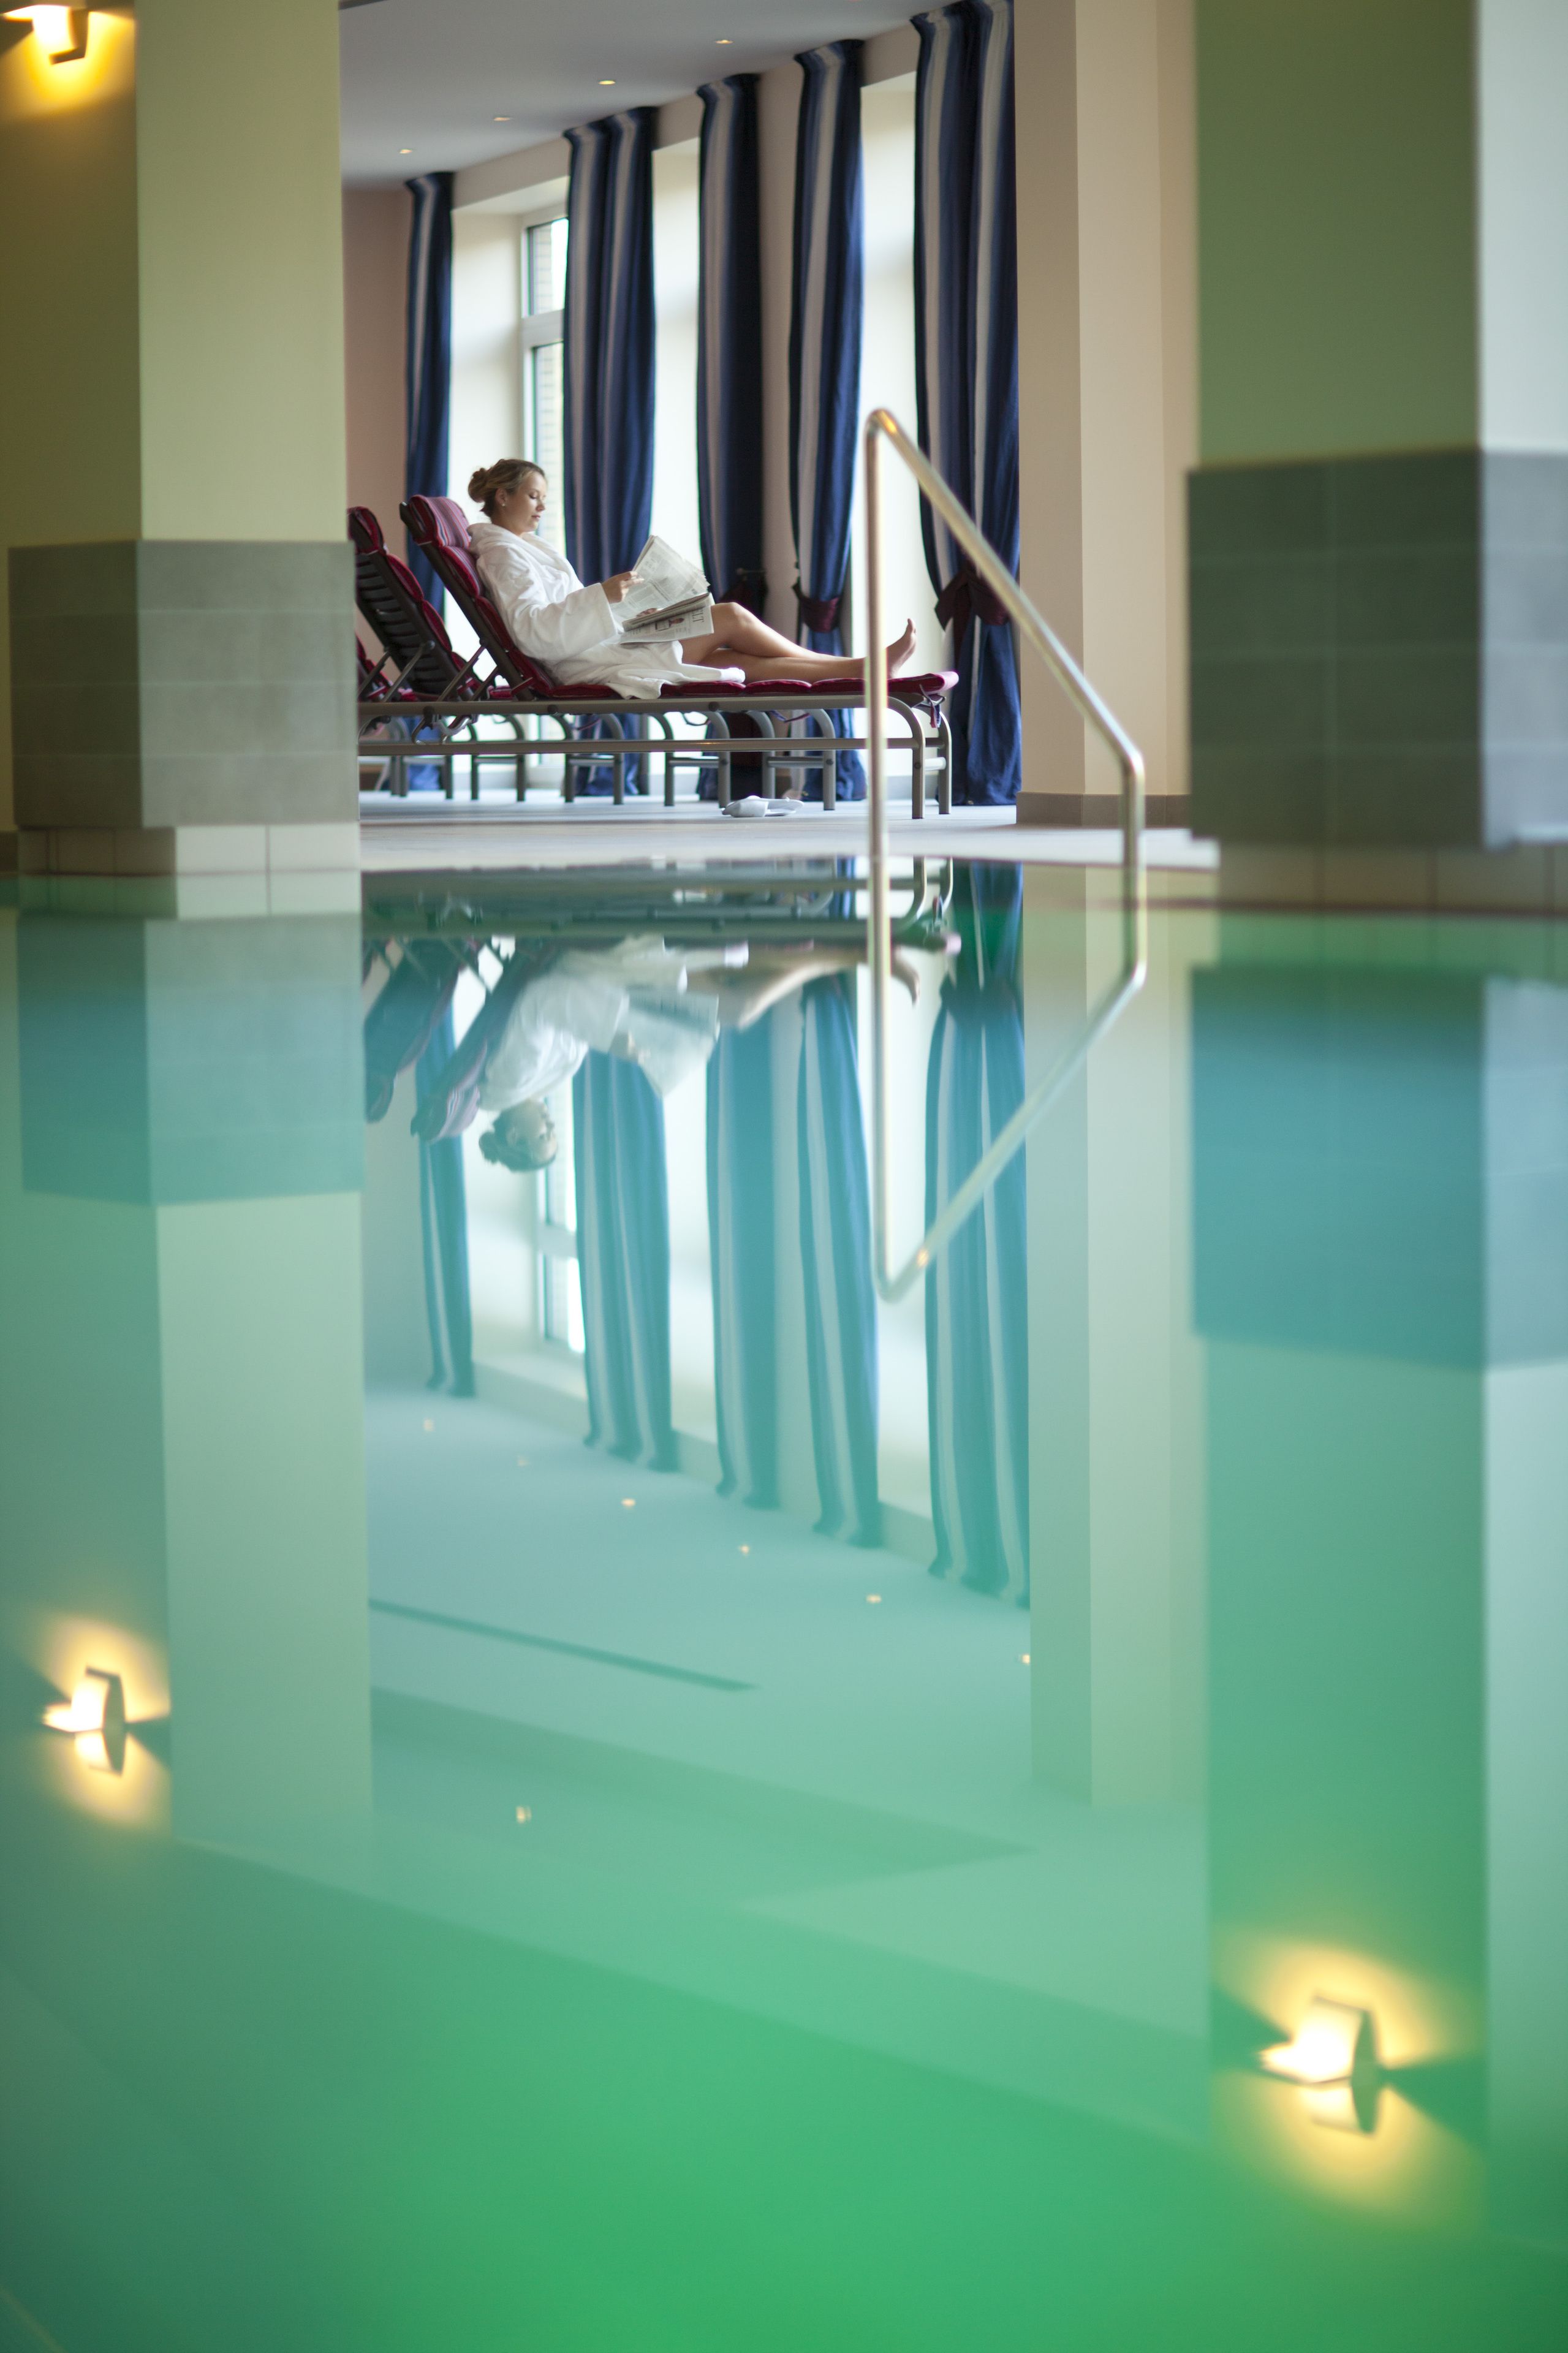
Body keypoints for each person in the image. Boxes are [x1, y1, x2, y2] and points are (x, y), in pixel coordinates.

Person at [465, 459, 917, 698]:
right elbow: (534, 633)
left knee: (740, 665)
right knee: (731, 617)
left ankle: (861, 673)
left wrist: (622, 608)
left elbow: (554, 617)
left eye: (544, 498)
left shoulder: (522, 549)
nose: (542, 508)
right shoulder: (504, 556)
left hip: (596, 645)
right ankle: (860, 669)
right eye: (533, 497)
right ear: (502, 497)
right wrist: (602, 597)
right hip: (583, 661)